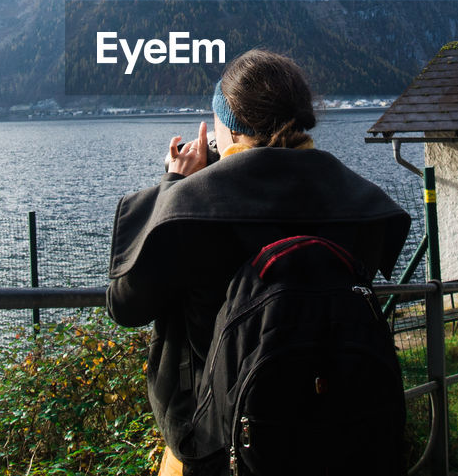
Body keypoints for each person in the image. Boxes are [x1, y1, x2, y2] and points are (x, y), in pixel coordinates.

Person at [106, 49, 412, 476]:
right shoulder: (358, 202)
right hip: (338, 431)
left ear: (227, 128)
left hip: (215, 438)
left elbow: (125, 305)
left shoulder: (192, 207)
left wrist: (174, 183)